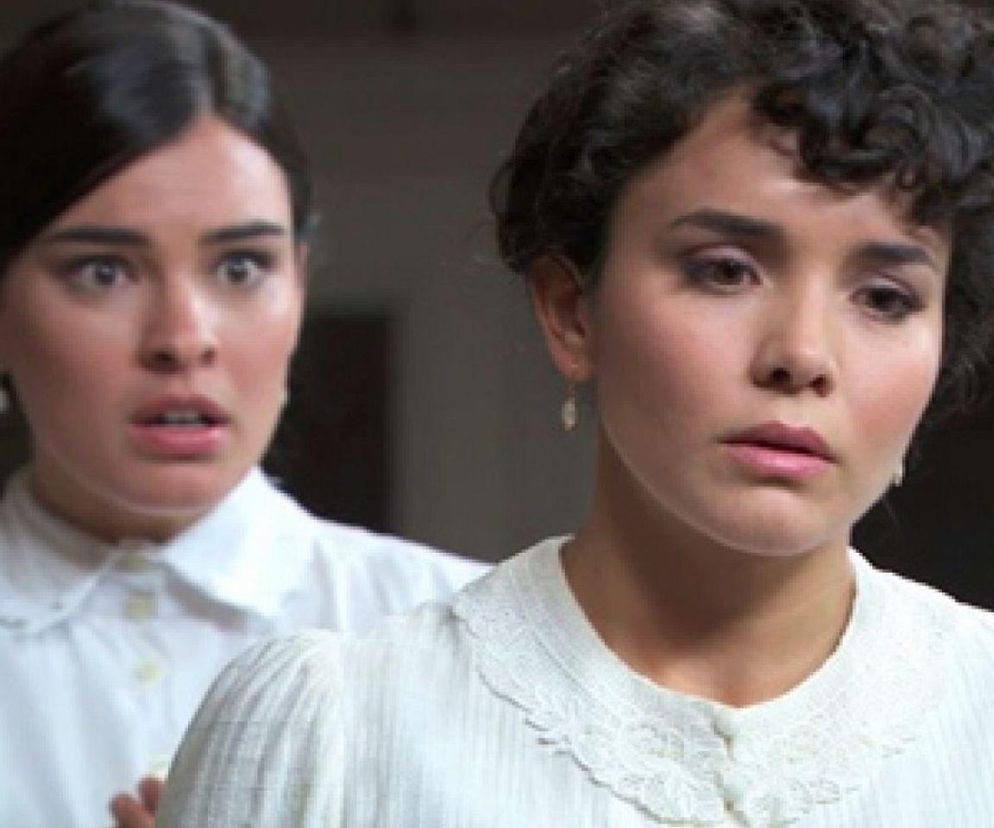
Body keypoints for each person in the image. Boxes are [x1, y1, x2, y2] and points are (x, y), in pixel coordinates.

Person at [159, 0, 994, 825]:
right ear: (570, 312)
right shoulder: (335, 730)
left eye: (885, 298)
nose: (802, 354)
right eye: (725, 271)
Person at [0, 4, 487, 828]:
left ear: (299, 283)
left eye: (239, 267)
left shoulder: (471, 641)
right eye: (104, 272)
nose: (183, 338)